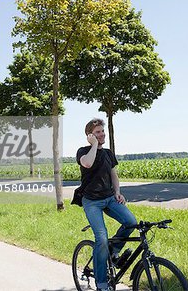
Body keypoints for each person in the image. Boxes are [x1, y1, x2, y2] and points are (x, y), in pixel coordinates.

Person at [76, 118, 137, 291]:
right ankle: (102, 283)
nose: (102, 134)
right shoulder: (83, 151)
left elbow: (113, 175)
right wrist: (94, 144)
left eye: (103, 131)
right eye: (97, 132)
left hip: (109, 198)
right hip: (92, 202)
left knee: (131, 222)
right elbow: (87, 163)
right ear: (90, 135)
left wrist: (117, 192)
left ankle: (113, 251)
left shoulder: (109, 153)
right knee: (101, 238)